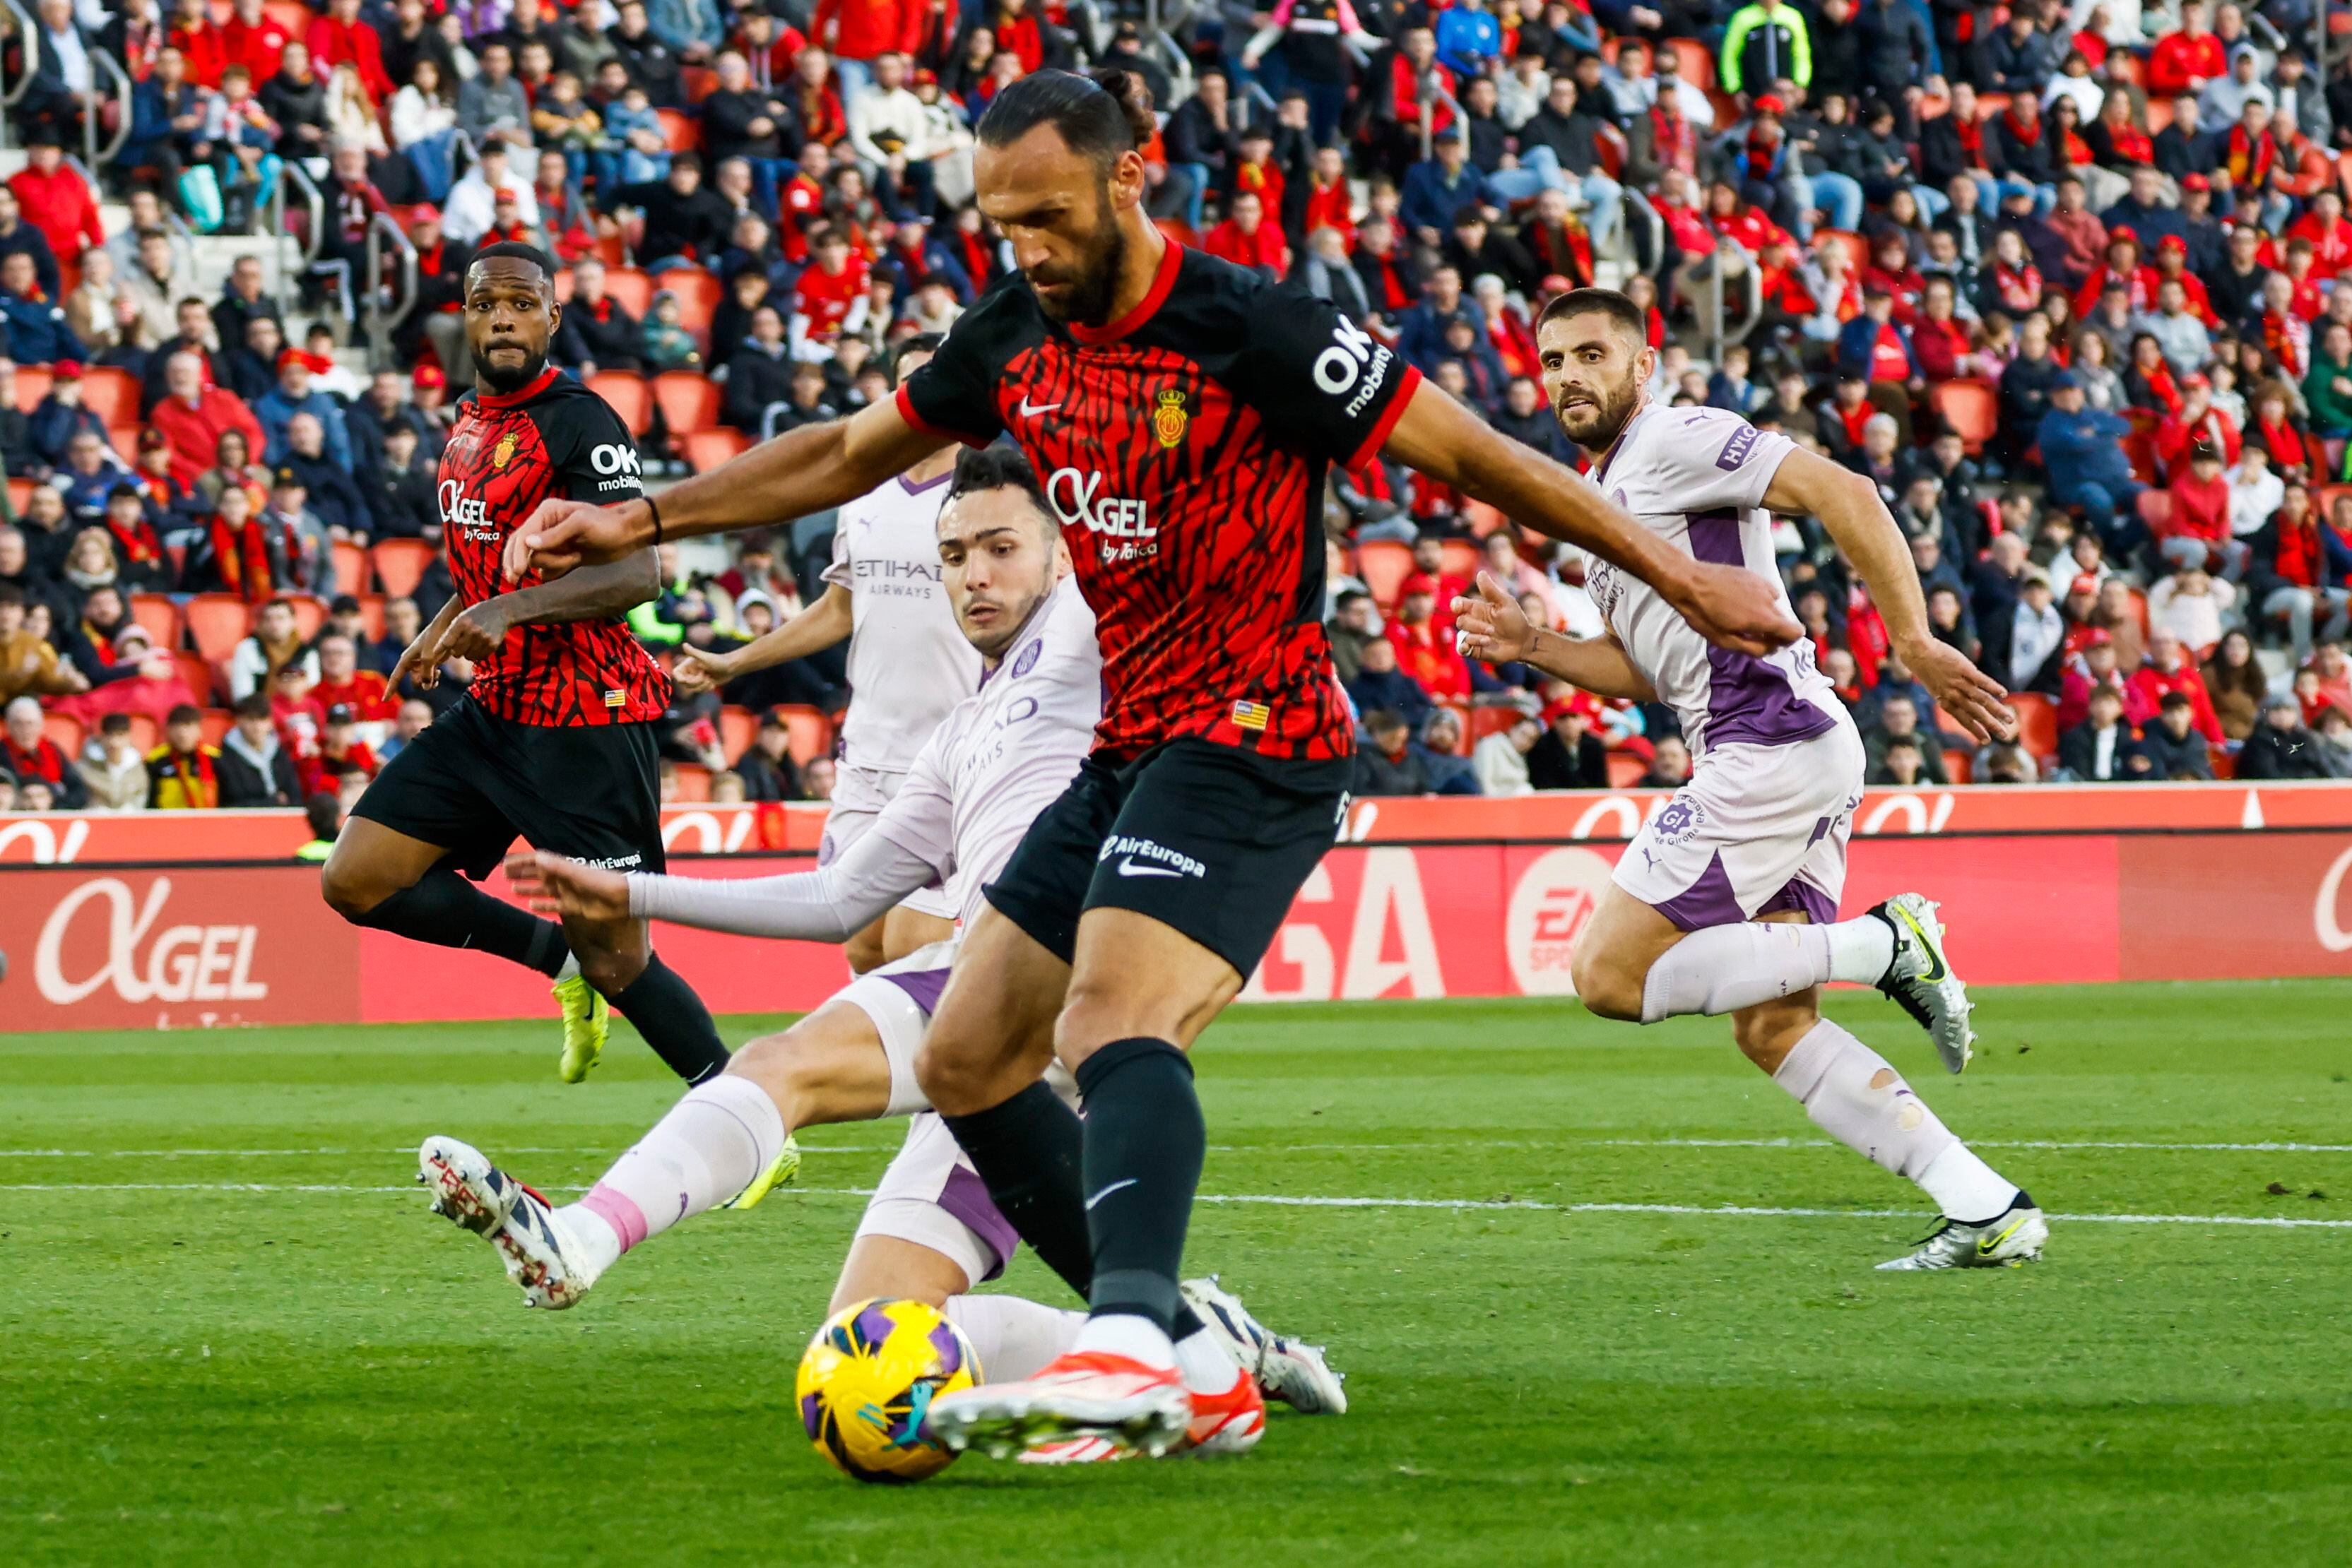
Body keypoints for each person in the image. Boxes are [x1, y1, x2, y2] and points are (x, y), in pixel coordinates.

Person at [502, 69, 1796, 1462]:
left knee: (1112, 1021)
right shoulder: (1012, 330)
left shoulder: (1255, 328)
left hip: (1257, 736)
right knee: (965, 1060)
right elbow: (838, 451)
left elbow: (1477, 456)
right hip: (1131, 747)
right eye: (1003, 226)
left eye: (1050, 217)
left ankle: (1127, 1345)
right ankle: (1186, 1344)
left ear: (1134, 174)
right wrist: (643, 512)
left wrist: (1677, 577)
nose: (1029, 253)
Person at [428, 448, 1340, 1451]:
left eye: (1000, 548)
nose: (974, 575)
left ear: (1064, 556)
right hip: (994, 1033)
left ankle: (583, 1239)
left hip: (1045, 975)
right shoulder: (962, 732)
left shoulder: (1093, 634)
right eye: (953, 555)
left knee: (786, 1065)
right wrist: (631, 890)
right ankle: (1197, 1342)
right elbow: (840, 897)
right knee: (867, 1347)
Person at [1454, 287, 2045, 1282]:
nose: (1568, 378)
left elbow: (1843, 491)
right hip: (1787, 746)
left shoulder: (1679, 439)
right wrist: (1536, 647)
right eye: (1553, 361)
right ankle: (1986, 1208)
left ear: (1643, 365)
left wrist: (1911, 638)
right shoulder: (1605, 493)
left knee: (1608, 977)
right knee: (1774, 1026)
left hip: (1762, 744)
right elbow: (1653, 665)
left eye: (1592, 355)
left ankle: (1882, 941)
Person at [319, 241, 728, 1092]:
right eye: (483, 304)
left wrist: (501, 613)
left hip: (588, 717)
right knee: (357, 879)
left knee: (622, 960)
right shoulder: (470, 420)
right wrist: (440, 628)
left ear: (551, 314)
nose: (502, 317)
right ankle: (557, 963)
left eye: (519, 303)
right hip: (500, 710)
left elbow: (633, 573)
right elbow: (483, 563)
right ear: (463, 318)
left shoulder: (582, 422)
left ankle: (746, 1113)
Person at [672, 335, 977, 974]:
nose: (923, 394)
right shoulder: (864, 493)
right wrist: (736, 661)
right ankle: (887, 1076)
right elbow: (840, 609)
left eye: (936, 379)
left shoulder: (987, 495)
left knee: (915, 949)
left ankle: (1014, 1068)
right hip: (868, 756)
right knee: (863, 947)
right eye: (909, 383)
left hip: (953, 758)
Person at [146, 702, 224, 808]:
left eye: (188, 726)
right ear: (167, 730)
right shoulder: (155, 760)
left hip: (207, 820)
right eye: (176, 727)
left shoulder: (215, 758)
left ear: (200, 730)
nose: (182, 734)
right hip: (167, 821)